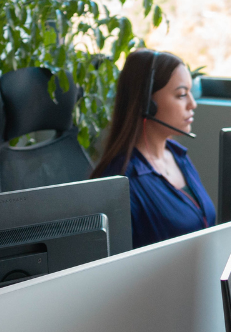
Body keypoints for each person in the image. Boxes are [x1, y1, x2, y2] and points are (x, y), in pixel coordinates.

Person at [91, 49, 214, 248]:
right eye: (182, 94)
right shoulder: (122, 181)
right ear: (148, 103)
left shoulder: (177, 155)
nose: (192, 104)